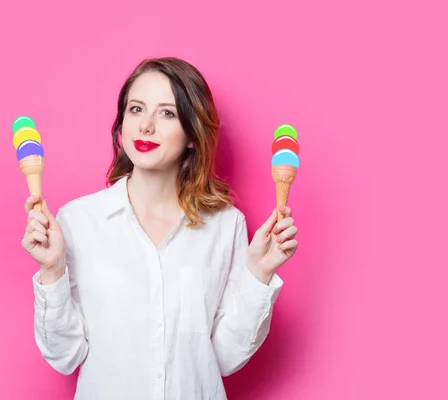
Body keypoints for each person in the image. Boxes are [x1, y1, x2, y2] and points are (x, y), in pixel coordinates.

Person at [21, 57, 298, 399]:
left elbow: (224, 358)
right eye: (136, 109)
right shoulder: (78, 221)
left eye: (166, 113)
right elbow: (65, 355)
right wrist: (52, 269)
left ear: (193, 134)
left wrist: (259, 272)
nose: (146, 126)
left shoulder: (227, 225)